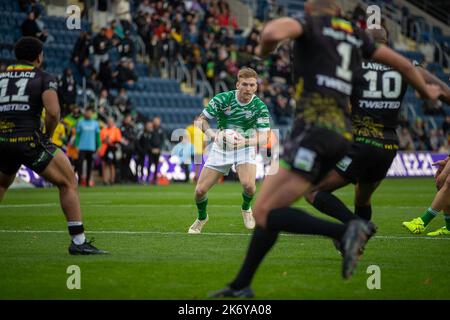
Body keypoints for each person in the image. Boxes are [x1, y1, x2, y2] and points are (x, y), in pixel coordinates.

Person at [210, 0, 441, 298]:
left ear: (310, 6)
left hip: (314, 130)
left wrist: (264, 50)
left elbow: (271, 32)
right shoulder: (355, 34)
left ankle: (347, 229)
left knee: (266, 210)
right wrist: (426, 93)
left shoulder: (310, 24)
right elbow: (406, 65)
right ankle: (241, 285)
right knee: (268, 209)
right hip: (342, 134)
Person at [303, 27, 450, 240]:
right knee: (362, 199)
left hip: (361, 142)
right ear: (387, 43)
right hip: (388, 146)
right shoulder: (404, 66)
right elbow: (444, 92)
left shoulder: (352, 64)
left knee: (313, 190)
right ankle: (354, 244)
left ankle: (357, 225)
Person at [0, 37, 106, 254]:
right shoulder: (44, 77)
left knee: (2, 184)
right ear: (39, 56)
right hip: (29, 141)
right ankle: (78, 242)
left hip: (3, 140)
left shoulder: (1, 77)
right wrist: (46, 135)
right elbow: (54, 112)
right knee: (68, 181)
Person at [187, 67, 271, 234]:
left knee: (249, 186)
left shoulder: (259, 107)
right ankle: (202, 217)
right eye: (245, 84)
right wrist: (212, 135)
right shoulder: (222, 99)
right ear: (237, 84)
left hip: (245, 147)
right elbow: (200, 120)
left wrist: (245, 141)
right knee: (199, 191)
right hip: (221, 147)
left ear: (256, 87)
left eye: (252, 85)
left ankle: (246, 208)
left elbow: (263, 137)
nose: (248, 89)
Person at [75, 106, 101, 187]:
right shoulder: (80, 122)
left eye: (90, 112)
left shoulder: (95, 123)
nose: (88, 114)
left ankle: (87, 182)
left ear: (92, 114)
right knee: (80, 165)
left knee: (90, 165)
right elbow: (78, 135)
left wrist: (99, 145)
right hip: (82, 147)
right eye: (87, 112)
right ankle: (79, 181)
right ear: (85, 113)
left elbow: (97, 136)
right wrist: (76, 145)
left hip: (91, 147)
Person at [99, 117, 122, 185]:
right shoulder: (103, 130)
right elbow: (100, 139)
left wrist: (111, 142)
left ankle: (112, 180)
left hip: (112, 149)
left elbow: (118, 140)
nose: (110, 123)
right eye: (109, 122)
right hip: (104, 150)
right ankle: (105, 180)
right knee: (104, 165)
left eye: (111, 122)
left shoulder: (116, 130)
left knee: (112, 165)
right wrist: (105, 140)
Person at [149, 116, 165, 185]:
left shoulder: (161, 130)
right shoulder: (150, 130)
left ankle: (155, 179)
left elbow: (162, 141)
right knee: (149, 164)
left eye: (158, 121)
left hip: (158, 150)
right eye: (155, 121)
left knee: (156, 165)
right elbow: (148, 141)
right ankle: (147, 178)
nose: (156, 122)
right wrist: (151, 149)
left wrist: (159, 148)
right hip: (151, 150)